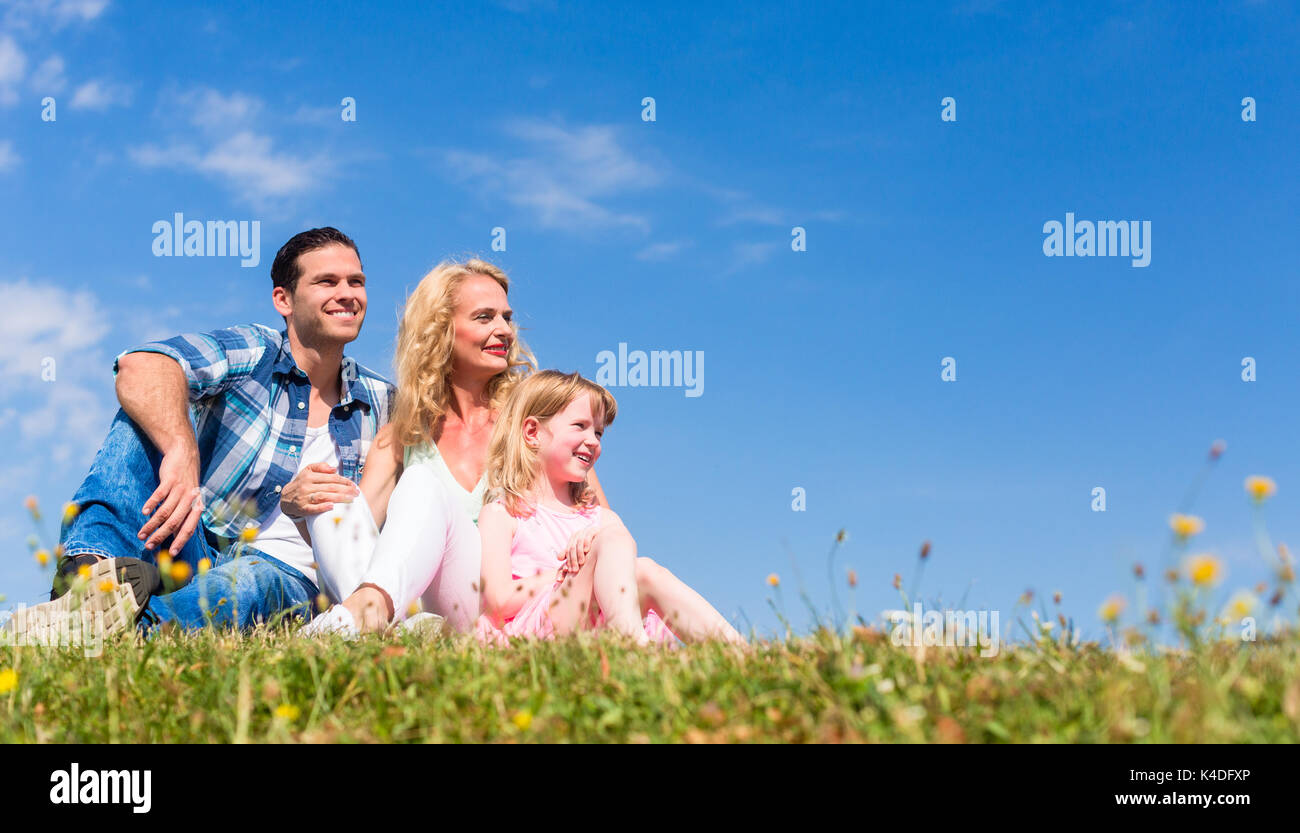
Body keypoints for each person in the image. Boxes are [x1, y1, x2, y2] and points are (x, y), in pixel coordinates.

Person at [303, 259, 744, 645]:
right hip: (435, 597)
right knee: (336, 497)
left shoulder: (537, 426)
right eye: (484, 317)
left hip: (513, 610)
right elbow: (355, 533)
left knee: (411, 487)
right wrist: (298, 508)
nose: (503, 330)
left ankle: (377, 620)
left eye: (507, 318)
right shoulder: (405, 434)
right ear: (441, 331)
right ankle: (378, 615)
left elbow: (599, 531)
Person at [4, 228, 393, 641]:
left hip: (289, 573)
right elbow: (140, 365)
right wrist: (181, 447)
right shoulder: (257, 350)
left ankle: (125, 632)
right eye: (326, 282)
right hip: (194, 540)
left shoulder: (383, 401)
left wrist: (295, 508)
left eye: (357, 281)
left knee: (243, 584)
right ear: (284, 300)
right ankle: (89, 576)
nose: (348, 293)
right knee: (146, 415)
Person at [474, 370, 744, 644]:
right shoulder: (502, 513)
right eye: (579, 425)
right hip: (535, 636)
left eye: (599, 432)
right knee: (610, 540)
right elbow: (499, 600)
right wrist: (567, 572)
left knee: (646, 569)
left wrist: (596, 550)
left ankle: (739, 653)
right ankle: (629, 640)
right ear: (533, 432)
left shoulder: (602, 518)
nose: (593, 441)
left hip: (594, 627)